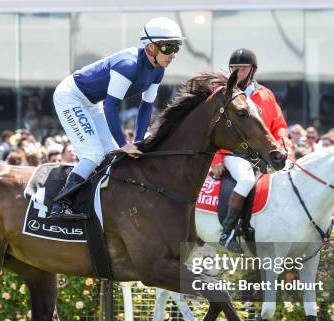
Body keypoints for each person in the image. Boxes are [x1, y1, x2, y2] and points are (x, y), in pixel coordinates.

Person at [49, 16, 185, 220]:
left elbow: (146, 107)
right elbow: (111, 106)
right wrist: (124, 143)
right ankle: (60, 204)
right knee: (94, 154)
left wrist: (138, 141)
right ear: (150, 48)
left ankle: (91, 200)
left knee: (110, 155)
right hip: (71, 96)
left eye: (177, 47)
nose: (173, 54)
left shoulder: (158, 71)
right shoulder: (128, 65)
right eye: (168, 47)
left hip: (91, 102)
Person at [210, 48, 290, 253]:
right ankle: (227, 232)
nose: (237, 72)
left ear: (252, 70)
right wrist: (216, 158)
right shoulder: (222, 94)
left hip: (261, 154)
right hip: (233, 154)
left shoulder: (266, 94)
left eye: (242, 68)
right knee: (246, 180)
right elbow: (212, 128)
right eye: (234, 68)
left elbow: (278, 124)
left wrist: (284, 145)